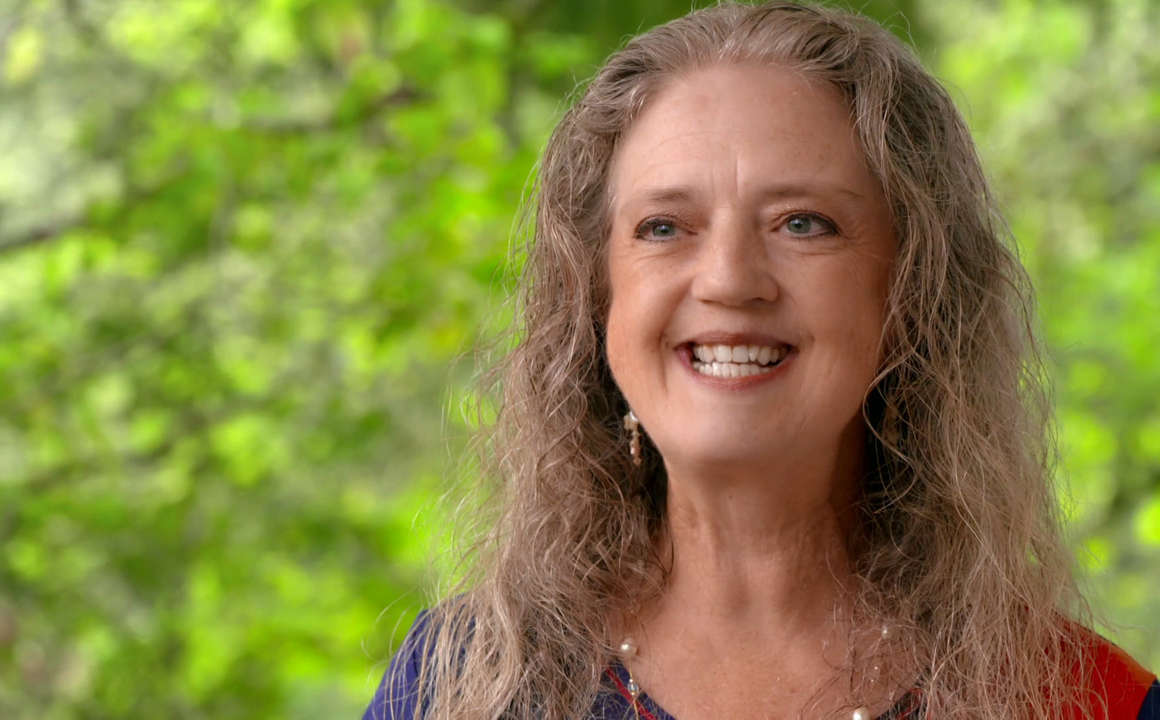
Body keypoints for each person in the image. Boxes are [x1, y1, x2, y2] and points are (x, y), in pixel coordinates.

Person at [364, 2, 1158, 719]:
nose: (729, 280)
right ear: (596, 297)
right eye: (664, 227)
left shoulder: (1086, 703)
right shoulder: (458, 686)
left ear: (913, 291)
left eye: (802, 223)